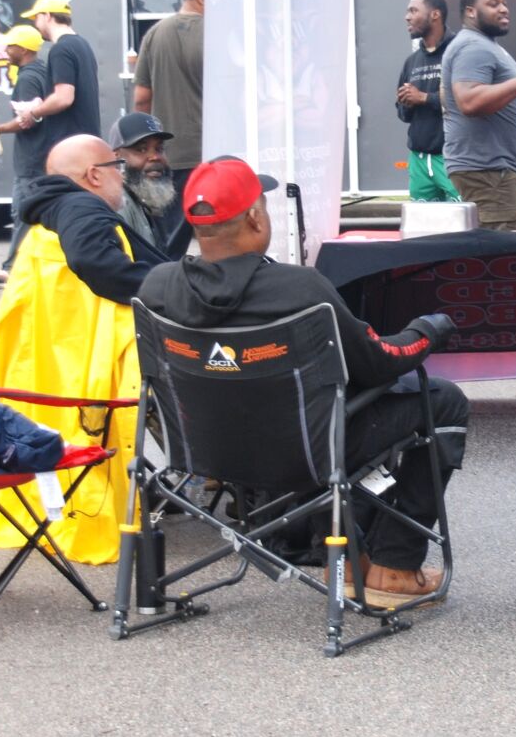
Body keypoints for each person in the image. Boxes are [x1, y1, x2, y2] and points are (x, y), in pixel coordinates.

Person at [138, 156, 469, 605]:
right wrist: (427, 330)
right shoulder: (300, 289)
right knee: (442, 400)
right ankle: (395, 565)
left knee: (327, 409)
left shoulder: (157, 287)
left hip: (204, 453)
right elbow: (381, 361)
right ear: (256, 217)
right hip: (303, 452)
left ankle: (357, 560)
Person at [0, 133, 170, 565]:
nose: (123, 178)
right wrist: (170, 288)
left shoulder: (46, 213)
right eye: (117, 169)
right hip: (98, 376)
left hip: (52, 375)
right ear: (94, 175)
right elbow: (96, 264)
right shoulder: (81, 207)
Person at [440, 0, 516, 230]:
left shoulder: (483, 45)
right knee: (497, 258)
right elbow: (468, 101)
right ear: (471, 11)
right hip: (489, 173)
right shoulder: (473, 47)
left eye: (504, 3)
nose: (503, 9)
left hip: (492, 170)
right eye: (493, 4)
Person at [0, 24, 50, 287]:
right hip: (40, 156)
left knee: (24, 213)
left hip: (32, 160)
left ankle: (12, 268)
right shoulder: (41, 72)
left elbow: (26, 121)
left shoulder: (28, 78)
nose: (6, 50)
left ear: (22, 49)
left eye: (10, 46)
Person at [133, 0, 204, 216]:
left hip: (168, 155)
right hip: (211, 156)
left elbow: (142, 99)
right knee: (218, 234)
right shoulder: (219, 33)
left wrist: (146, 147)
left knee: (168, 243)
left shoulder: (154, 34)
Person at [396, 0, 460, 202]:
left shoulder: (459, 51)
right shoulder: (411, 61)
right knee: (425, 229)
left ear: (435, 15)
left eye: (414, 10)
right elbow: (404, 115)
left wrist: (424, 98)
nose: (407, 17)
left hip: (453, 158)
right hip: (419, 159)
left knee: (463, 225)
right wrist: (406, 102)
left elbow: (467, 100)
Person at [10, 0, 99, 143]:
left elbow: (63, 98)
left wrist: (32, 112)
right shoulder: (82, 45)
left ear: (47, 16)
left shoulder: (61, 49)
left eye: (36, 19)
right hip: (88, 140)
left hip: (70, 144)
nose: (36, 25)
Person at [106, 111, 184, 254]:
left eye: (159, 149)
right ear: (116, 157)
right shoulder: (118, 203)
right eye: (141, 149)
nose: (154, 157)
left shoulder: (142, 199)